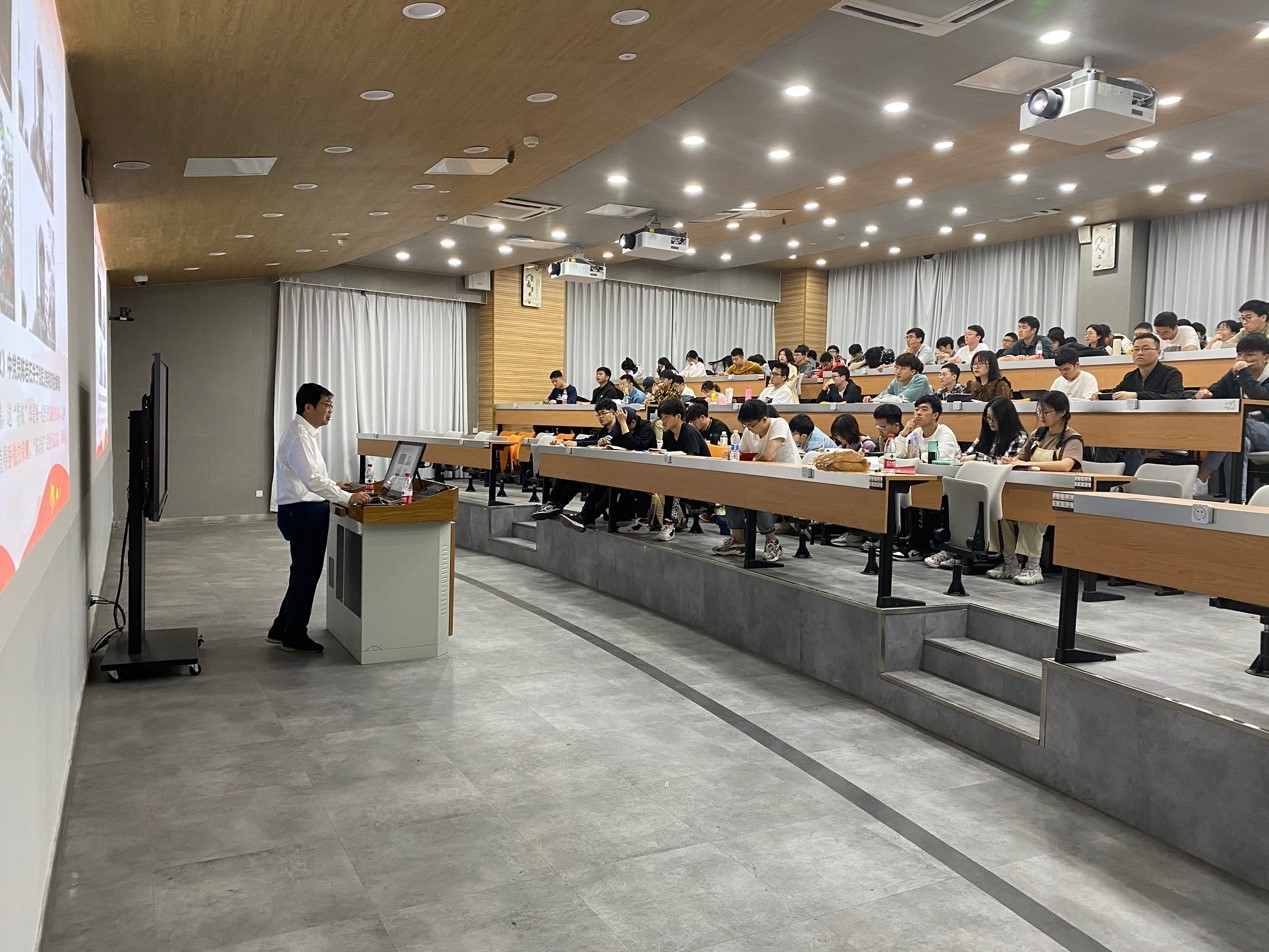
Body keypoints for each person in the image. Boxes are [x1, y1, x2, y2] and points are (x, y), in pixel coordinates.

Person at [270, 384, 370, 654]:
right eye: (326, 404)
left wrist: (335, 485)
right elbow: (312, 480)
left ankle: (281, 629)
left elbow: (308, 476)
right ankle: (294, 636)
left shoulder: (303, 432)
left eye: (331, 405)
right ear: (308, 407)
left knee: (301, 573)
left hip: (302, 508)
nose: (330, 410)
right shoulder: (300, 436)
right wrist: (348, 498)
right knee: (306, 575)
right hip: (302, 512)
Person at [991, 391, 1084, 585]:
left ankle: (1033, 567)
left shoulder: (1073, 439)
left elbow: (1065, 465)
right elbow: (1021, 458)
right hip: (1033, 490)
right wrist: (1012, 461)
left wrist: (1031, 465)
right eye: (1039, 411)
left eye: (1046, 412)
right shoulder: (1037, 434)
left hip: (1060, 496)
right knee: (1002, 512)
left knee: (1032, 515)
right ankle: (1010, 562)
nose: (1041, 416)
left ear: (1062, 412)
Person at [533, 400, 656, 527]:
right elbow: (597, 440)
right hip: (617, 468)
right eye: (598, 414)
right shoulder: (613, 428)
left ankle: (584, 516)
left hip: (639, 471)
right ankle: (556, 505)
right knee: (573, 473)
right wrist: (574, 442)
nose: (600, 417)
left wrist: (621, 427)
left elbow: (631, 444)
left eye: (603, 413)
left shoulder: (638, 428)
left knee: (603, 483)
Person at [713, 399, 799, 562]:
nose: (749, 429)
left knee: (756, 496)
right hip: (762, 478)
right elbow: (740, 454)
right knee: (730, 493)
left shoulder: (779, 424)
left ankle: (772, 541)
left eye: (751, 425)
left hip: (787, 479)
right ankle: (738, 540)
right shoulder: (749, 431)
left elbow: (768, 456)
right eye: (745, 426)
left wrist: (750, 458)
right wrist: (732, 454)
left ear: (764, 419)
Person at [1093, 333, 1185, 474]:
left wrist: (1137, 395)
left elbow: (1174, 397)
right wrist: (1100, 397)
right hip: (1132, 426)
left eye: (1145, 349)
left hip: (1162, 427)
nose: (1140, 353)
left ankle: (1126, 482)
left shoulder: (1171, 373)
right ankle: (1101, 480)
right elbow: (1116, 394)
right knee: (1107, 439)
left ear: (1158, 352)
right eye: (1136, 349)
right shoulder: (1131, 376)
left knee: (1138, 441)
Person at [1193, 332, 1269, 496]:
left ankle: (1202, 478)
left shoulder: (1243, 372)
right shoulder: (1235, 374)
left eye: (1249, 355)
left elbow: (1260, 395)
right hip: (1243, 432)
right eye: (1239, 355)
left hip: (1266, 432)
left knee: (1234, 426)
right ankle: (1236, 499)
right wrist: (1205, 394)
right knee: (1238, 442)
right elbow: (1215, 391)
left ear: (1266, 358)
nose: (1242, 359)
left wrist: (1243, 371)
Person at [644, 396, 711, 541]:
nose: (663, 421)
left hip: (700, 477)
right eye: (661, 418)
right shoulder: (668, 435)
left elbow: (691, 462)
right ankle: (645, 521)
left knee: (671, 486)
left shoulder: (690, 433)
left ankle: (669, 525)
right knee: (648, 482)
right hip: (678, 474)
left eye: (666, 417)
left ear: (678, 416)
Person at [893, 394, 960, 462]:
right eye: (917, 409)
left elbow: (942, 456)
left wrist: (917, 457)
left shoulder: (945, 434)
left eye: (924, 410)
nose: (918, 413)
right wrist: (903, 434)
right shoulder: (916, 433)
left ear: (935, 415)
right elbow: (898, 455)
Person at [960, 397, 1028, 463]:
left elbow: (1007, 463)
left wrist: (977, 457)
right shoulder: (987, 433)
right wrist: (961, 457)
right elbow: (967, 454)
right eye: (988, 417)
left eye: (995, 418)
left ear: (1006, 418)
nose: (990, 422)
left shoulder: (1019, 437)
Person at [865, 353, 931, 403]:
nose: (898, 372)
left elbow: (899, 400)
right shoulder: (896, 381)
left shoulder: (920, 380)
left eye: (903, 368)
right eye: (896, 367)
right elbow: (882, 396)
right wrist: (871, 400)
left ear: (912, 372)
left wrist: (882, 399)